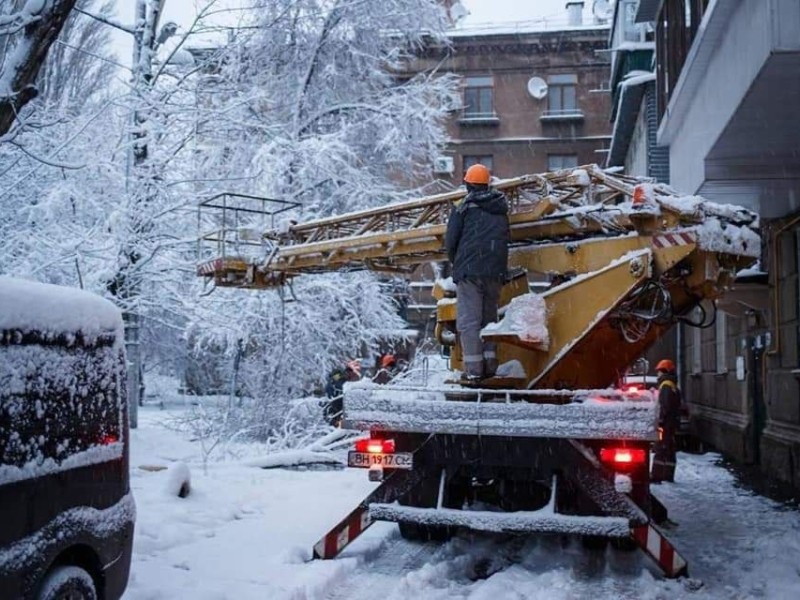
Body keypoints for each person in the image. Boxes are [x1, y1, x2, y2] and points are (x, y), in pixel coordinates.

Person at [445, 163, 510, 381]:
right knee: (489, 320)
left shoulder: (462, 207)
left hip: (470, 272)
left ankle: (474, 371)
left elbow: (451, 241)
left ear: (468, 185)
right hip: (495, 271)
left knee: (469, 322)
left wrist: (458, 263)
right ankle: (490, 365)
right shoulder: (500, 208)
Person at [651, 359, 682, 483]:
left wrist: (661, 421)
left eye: (659, 371)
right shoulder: (673, 385)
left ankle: (656, 475)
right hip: (672, 422)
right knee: (669, 449)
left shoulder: (666, 385)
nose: (657, 374)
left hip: (666, 423)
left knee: (661, 448)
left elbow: (665, 405)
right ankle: (668, 475)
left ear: (663, 371)